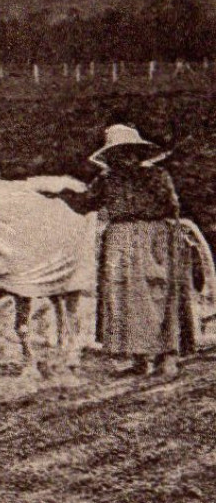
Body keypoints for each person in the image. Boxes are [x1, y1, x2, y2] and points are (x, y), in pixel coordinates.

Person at [58, 123, 196, 378]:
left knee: (157, 293)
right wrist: (60, 195)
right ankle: (140, 358)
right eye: (117, 154)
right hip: (120, 241)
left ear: (137, 153)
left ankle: (167, 357)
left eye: (128, 152)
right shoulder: (107, 180)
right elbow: (86, 203)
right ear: (110, 157)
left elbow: (171, 205)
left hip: (153, 237)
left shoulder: (156, 176)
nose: (123, 159)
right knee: (124, 298)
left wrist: (158, 229)